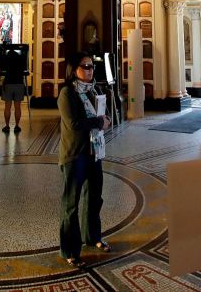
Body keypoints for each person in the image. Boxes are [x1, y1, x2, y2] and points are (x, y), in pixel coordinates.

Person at [58, 51, 112, 268]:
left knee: (94, 198)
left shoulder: (95, 90)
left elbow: (100, 116)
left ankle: (93, 237)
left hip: (94, 153)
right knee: (71, 203)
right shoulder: (67, 93)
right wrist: (99, 122)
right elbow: (74, 124)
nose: (90, 70)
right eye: (85, 66)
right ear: (74, 69)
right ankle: (70, 250)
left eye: (92, 66)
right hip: (75, 154)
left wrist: (105, 119)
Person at [0, 47, 26, 134]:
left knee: (7, 106)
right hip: (19, 83)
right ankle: (17, 126)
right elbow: (24, 69)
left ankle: (7, 126)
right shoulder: (20, 58)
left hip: (8, 83)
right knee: (18, 107)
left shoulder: (6, 58)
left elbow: (1, 68)